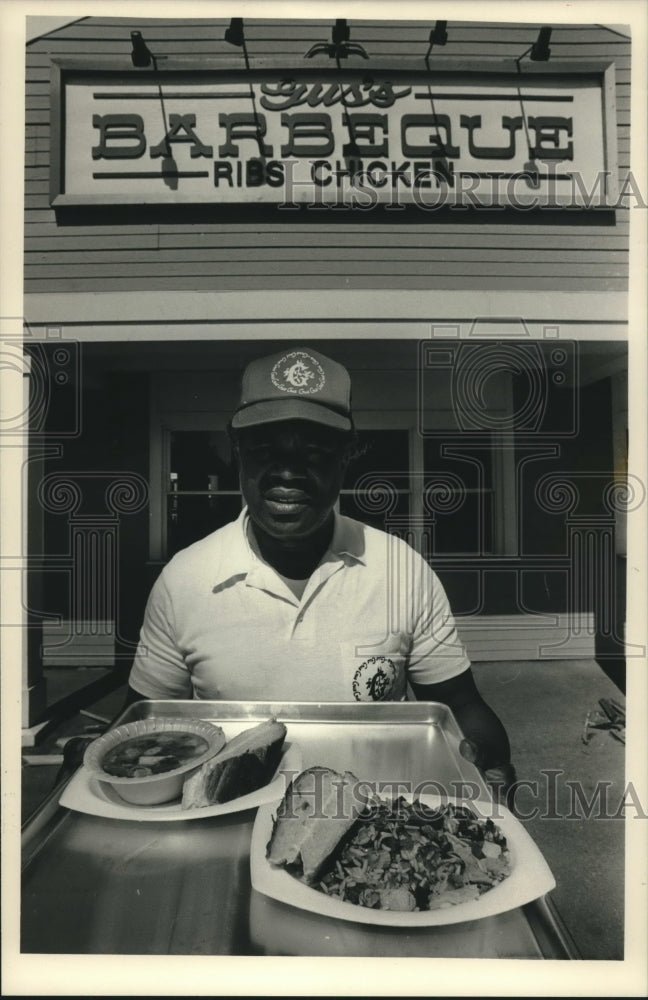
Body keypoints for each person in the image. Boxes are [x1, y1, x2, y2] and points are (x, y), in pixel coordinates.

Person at [127, 347, 515, 797]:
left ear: (347, 454)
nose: (288, 472)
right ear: (237, 450)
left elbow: (461, 703)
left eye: (314, 451)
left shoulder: (401, 568)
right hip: (228, 814)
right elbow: (147, 723)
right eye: (264, 449)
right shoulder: (185, 579)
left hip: (370, 821)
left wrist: (489, 759)